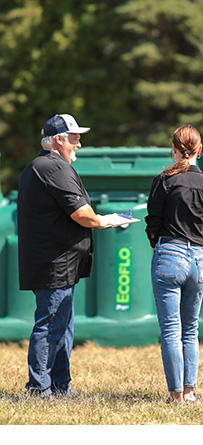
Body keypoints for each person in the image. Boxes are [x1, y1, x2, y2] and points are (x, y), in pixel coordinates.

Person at [17, 114, 110, 398]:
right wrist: (103, 221)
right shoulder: (52, 167)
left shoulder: (44, 166)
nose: (79, 144)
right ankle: (39, 389)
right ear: (59, 140)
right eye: (75, 138)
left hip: (56, 262)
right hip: (54, 263)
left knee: (62, 325)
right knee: (51, 325)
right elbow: (81, 213)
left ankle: (59, 386)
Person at [145, 125, 203, 403]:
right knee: (191, 329)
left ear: (173, 150)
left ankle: (175, 396)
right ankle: (189, 393)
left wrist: (159, 245)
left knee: (172, 330)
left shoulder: (164, 180)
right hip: (199, 259)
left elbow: (152, 223)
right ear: (200, 150)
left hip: (169, 255)